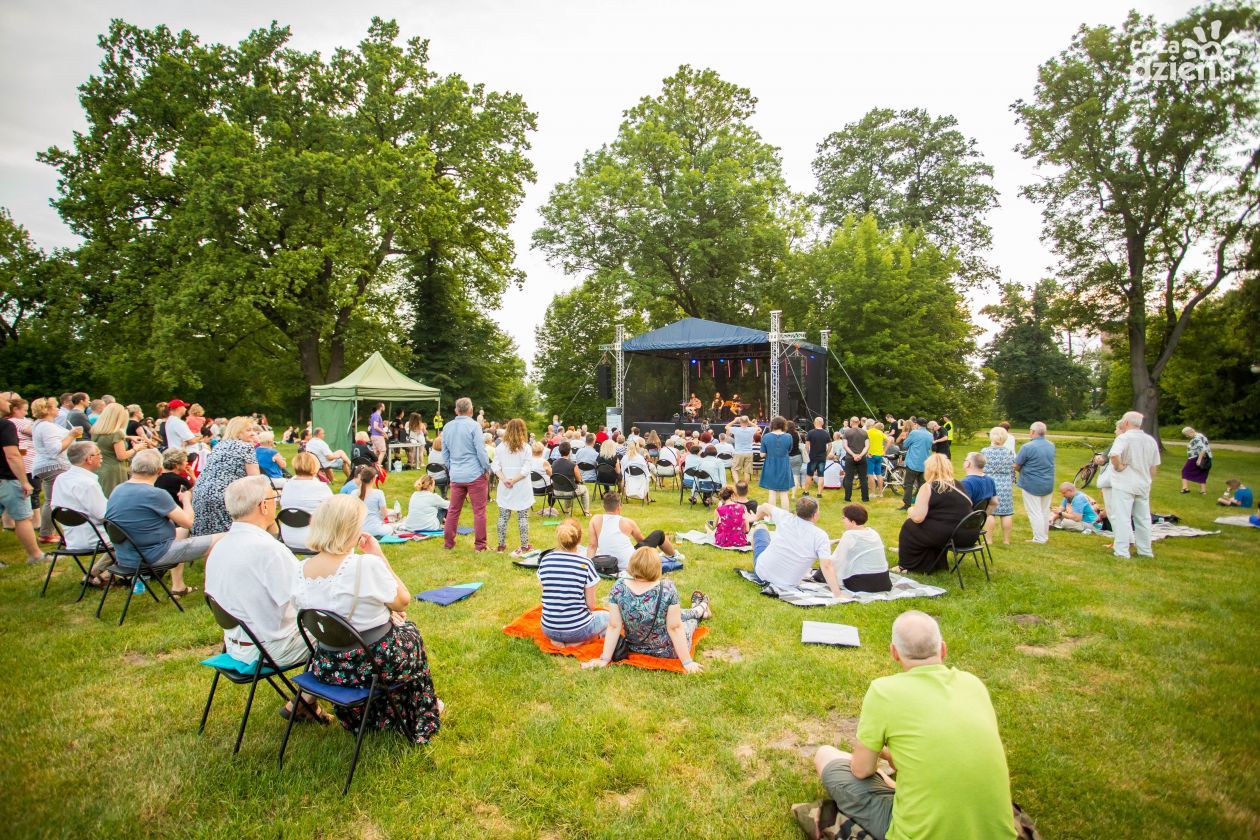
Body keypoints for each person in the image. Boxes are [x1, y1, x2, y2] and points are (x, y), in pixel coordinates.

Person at [812, 611, 1018, 840]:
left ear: (894, 653)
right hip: (994, 833)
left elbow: (861, 770)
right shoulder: (974, 685)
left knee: (825, 755)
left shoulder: (883, 692)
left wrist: (883, 756)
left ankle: (890, 790)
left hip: (917, 833)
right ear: (943, 649)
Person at [293, 494, 442, 743]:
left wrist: (384, 613)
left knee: (395, 629)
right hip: (371, 665)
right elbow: (403, 599)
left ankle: (376, 715)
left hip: (327, 665)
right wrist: (379, 556)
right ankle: (421, 711)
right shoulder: (364, 565)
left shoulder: (300, 569)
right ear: (350, 529)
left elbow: (330, 611)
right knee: (410, 634)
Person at [202, 476, 331, 723]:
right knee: (351, 626)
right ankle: (309, 701)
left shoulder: (220, 546)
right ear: (264, 505)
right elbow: (305, 598)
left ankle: (305, 701)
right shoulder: (267, 549)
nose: (276, 504)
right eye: (274, 499)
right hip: (268, 647)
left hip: (237, 642)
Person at [105, 449, 220, 595]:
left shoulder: (118, 489)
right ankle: (214, 589)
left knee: (181, 532)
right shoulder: (154, 494)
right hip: (152, 554)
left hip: (126, 555)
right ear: (159, 471)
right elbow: (190, 522)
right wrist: (186, 501)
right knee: (222, 537)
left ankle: (178, 586)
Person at [583, 547, 711, 673]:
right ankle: (700, 610)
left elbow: (614, 625)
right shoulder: (667, 588)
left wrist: (605, 659)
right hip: (668, 650)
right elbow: (675, 627)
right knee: (687, 623)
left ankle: (700, 609)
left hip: (635, 647)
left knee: (677, 614)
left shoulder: (619, 587)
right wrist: (687, 662)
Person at [897, 453, 979, 574]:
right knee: (929, 527)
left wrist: (910, 510)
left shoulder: (928, 487)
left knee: (909, 526)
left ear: (928, 469)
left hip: (951, 535)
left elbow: (918, 518)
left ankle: (906, 566)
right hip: (969, 534)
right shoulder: (958, 484)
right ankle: (935, 563)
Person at [749, 497, 838, 596]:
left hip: (762, 573)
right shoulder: (820, 536)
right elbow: (826, 566)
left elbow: (764, 506)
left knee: (760, 526)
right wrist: (838, 594)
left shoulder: (785, 517)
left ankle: (760, 559)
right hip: (788, 583)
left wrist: (756, 518)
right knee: (762, 529)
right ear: (815, 515)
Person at [537, 519, 606, 646]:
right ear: (580, 539)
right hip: (577, 629)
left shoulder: (545, 560)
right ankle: (577, 641)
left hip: (548, 628)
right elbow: (591, 606)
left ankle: (559, 639)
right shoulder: (585, 563)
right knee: (609, 617)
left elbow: (547, 594)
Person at [1103, 410, 1160, 560]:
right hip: (1143, 482)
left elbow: (1114, 455)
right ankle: (1145, 550)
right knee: (1143, 518)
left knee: (1122, 517)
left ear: (1126, 423)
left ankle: (1122, 550)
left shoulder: (1124, 438)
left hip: (1125, 483)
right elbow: (1154, 466)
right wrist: (1149, 479)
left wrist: (1118, 467)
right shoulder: (1150, 440)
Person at [50, 442, 111, 580]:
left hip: (71, 536)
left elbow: (54, 507)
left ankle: (93, 574)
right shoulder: (87, 483)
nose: (101, 457)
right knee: (134, 536)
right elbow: (104, 515)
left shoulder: (61, 478)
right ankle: (102, 575)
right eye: (99, 454)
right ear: (89, 459)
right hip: (95, 536)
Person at [191, 417, 262, 537]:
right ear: (237, 432)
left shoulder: (219, 445)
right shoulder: (246, 447)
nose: (252, 433)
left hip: (200, 494)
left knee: (209, 541)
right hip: (223, 496)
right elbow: (255, 479)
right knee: (230, 537)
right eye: (248, 430)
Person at [0, 392, 46, 565]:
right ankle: (35, 555)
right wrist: (24, 481)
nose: (9, 404)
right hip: (8, 478)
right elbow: (12, 455)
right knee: (23, 518)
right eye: (6, 400)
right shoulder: (5, 425)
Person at [441, 397, 490, 551]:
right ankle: (480, 546)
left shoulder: (447, 427)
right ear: (470, 410)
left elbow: (445, 452)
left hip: (457, 474)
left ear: (457, 410)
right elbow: (481, 451)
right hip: (474, 473)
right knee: (479, 511)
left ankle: (449, 543)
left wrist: (451, 468)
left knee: (453, 510)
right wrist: (486, 468)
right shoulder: (474, 426)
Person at [587, 492, 681, 572]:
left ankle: (671, 554)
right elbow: (641, 541)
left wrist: (589, 566)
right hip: (632, 564)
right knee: (659, 534)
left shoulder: (595, 520)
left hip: (607, 564)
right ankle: (674, 555)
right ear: (619, 506)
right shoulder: (627, 522)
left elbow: (592, 546)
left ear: (604, 506)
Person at [31, 397, 81, 544]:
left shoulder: (41, 425)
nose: (58, 408)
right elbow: (55, 449)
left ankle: (47, 533)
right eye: (55, 406)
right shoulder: (46, 426)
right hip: (54, 465)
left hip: (49, 465)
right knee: (55, 500)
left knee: (51, 500)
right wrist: (71, 435)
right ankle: (48, 533)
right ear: (46, 410)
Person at [92, 402, 150, 498]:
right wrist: (136, 448)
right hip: (115, 471)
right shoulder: (117, 433)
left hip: (101, 468)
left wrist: (128, 437)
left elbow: (108, 438)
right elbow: (121, 456)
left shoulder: (96, 430)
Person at [277, 452, 333, 551]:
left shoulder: (287, 486)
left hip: (288, 536)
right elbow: (334, 510)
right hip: (314, 538)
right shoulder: (321, 487)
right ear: (315, 466)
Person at [493, 418, 533, 556]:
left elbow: (495, 466)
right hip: (520, 485)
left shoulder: (500, 448)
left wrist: (505, 479)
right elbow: (526, 468)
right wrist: (511, 480)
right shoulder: (526, 448)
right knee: (522, 517)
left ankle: (501, 545)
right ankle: (524, 545)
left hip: (507, 485)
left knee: (503, 517)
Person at [831, 503, 891, 593]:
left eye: (844, 518)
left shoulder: (849, 535)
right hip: (884, 582)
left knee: (830, 568)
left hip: (861, 583)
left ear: (853, 522)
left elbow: (836, 560)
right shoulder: (873, 533)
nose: (842, 520)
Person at [1015, 422, 1056, 544]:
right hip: (1048, 481)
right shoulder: (1051, 445)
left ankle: (1039, 538)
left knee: (1034, 511)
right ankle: (1044, 536)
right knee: (1044, 511)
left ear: (1033, 432)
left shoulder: (1027, 447)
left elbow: (1017, 465)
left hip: (1031, 482)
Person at [981, 427, 1016, 546]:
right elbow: (1012, 468)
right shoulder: (1009, 452)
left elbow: (980, 467)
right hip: (1005, 483)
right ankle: (1006, 540)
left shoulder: (985, 451)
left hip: (990, 482)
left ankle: (989, 540)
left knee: (990, 512)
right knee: (1006, 513)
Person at [346, 464, 393, 538]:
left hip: (358, 531)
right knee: (390, 528)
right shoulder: (378, 493)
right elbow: (385, 514)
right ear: (373, 479)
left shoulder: (353, 493)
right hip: (375, 529)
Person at [899, 418, 934, 511]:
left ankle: (907, 504)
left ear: (917, 424)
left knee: (908, 484)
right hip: (924, 463)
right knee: (922, 485)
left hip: (913, 463)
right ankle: (921, 503)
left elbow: (905, 444)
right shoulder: (930, 434)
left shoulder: (914, 433)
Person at [759, 416, 794, 509]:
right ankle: (785, 516)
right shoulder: (789, 436)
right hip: (784, 465)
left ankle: (772, 517)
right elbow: (789, 450)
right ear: (784, 425)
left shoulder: (766, 436)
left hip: (770, 465)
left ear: (772, 425)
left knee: (772, 492)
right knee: (784, 493)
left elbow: (762, 454)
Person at [550, 441, 590, 516]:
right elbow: (579, 479)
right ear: (570, 451)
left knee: (568, 485)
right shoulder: (573, 465)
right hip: (569, 492)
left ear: (559, 451)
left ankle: (567, 510)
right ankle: (586, 511)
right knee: (584, 489)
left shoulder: (553, 463)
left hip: (556, 491)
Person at [840, 416, 870, 504]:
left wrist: (853, 455)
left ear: (851, 422)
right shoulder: (864, 432)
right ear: (859, 422)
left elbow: (845, 445)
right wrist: (860, 455)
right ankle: (865, 498)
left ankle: (847, 498)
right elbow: (867, 446)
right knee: (863, 478)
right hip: (862, 458)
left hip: (850, 458)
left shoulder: (847, 432)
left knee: (849, 478)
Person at [804, 417, 831, 500]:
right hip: (822, 457)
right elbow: (830, 445)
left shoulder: (810, 433)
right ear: (822, 423)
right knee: (821, 475)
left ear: (814, 423)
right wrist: (826, 454)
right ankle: (819, 493)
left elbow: (807, 445)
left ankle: (806, 491)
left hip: (812, 457)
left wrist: (808, 454)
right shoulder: (826, 433)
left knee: (809, 475)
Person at [1179, 426, 1212, 494]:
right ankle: (1203, 491)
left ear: (1190, 432)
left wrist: (1199, 460)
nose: (1187, 436)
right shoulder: (1201, 436)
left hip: (1196, 457)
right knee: (1202, 473)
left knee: (1185, 471)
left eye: (1187, 435)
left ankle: (1185, 488)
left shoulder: (1197, 438)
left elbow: (1203, 449)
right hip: (1207, 458)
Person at [726, 416, 757, 484]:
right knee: (747, 471)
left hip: (738, 452)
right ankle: (744, 487)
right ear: (747, 422)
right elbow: (758, 428)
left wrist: (734, 421)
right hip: (749, 452)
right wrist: (749, 422)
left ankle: (737, 484)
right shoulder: (751, 429)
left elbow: (726, 426)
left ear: (740, 422)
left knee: (734, 469)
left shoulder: (736, 429)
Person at [866, 421, 887, 496]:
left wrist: (867, 451)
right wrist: (884, 450)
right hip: (879, 455)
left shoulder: (868, 432)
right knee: (879, 474)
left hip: (871, 455)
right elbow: (889, 441)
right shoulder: (880, 433)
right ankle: (881, 493)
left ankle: (872, 493)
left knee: (870, 474)